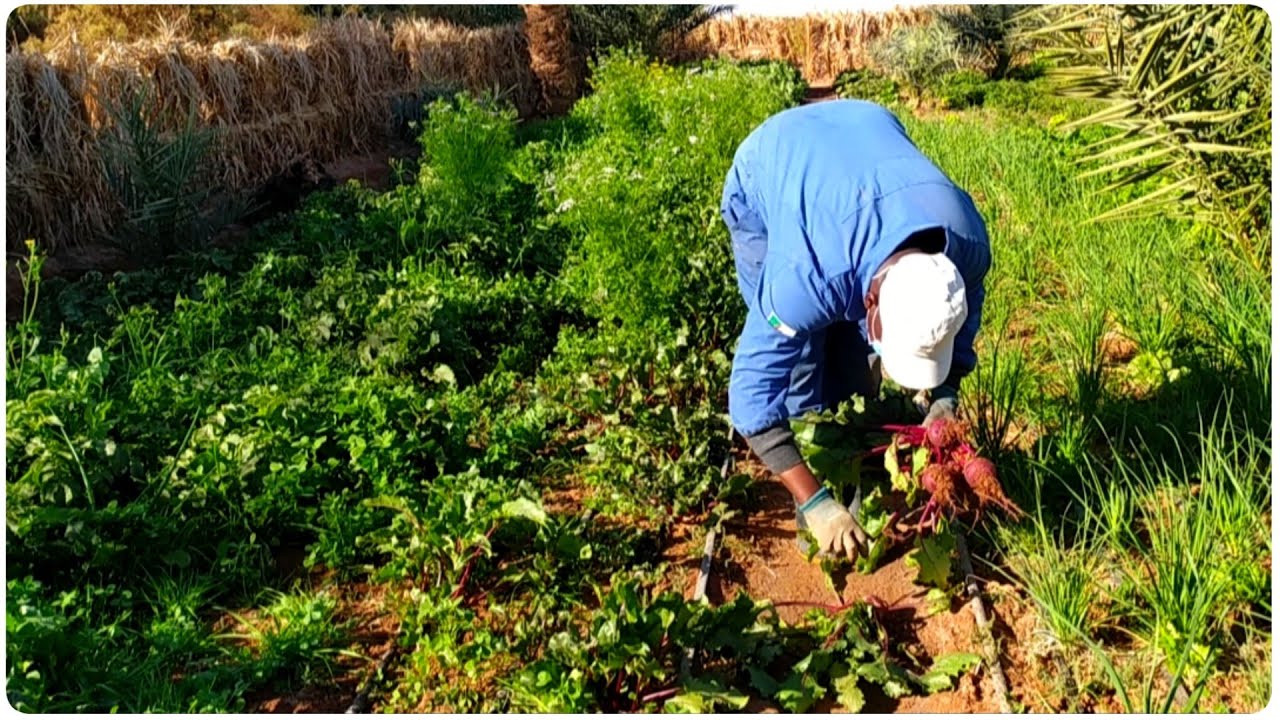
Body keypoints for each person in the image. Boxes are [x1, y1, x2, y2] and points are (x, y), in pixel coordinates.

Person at [721, 99, 991, 562]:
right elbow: (751, 398)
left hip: (867, 127)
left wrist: (945, 393)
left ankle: (850, 458)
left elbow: (959, 330)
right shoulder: (802, 277)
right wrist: (814, 501)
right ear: (871, 301)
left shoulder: (966, 249)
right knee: (803, 361)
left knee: (849, 369)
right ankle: (819, 495)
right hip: (770, 163)